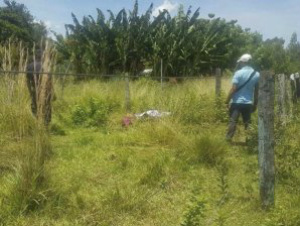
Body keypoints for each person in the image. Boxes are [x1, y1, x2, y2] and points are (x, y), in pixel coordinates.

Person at [225, 53, 260, 141]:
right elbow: (256, 91)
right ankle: (250, 141)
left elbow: (233, 89)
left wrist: (227, 101)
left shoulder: (238, 73)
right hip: (248, 103)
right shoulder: (256, 74)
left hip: (236, 103)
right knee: (247, 123)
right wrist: (255, 104)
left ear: (243, 62)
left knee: (233, 122)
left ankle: (228, 140)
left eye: (240, 62)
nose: (239, 64)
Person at [26, 50, 53, 126]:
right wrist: (52, 92)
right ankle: (46, 126)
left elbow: (27, 81)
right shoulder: (45, 66)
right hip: (45, 91)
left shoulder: (29, 66)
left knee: (35, 106)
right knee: (47, 107)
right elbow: (49, 81)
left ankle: (37, 123)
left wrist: (30, 91)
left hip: (34, 90)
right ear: (42, 57)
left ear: (35, 56)